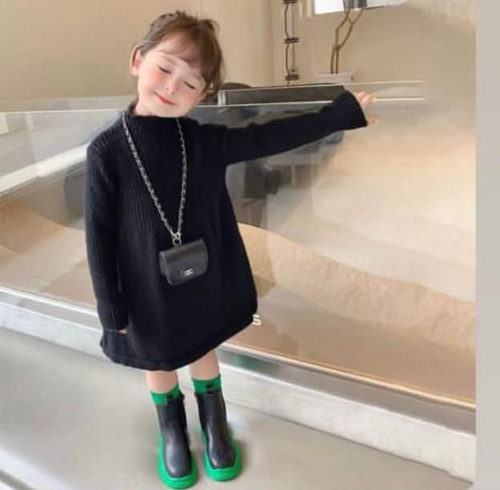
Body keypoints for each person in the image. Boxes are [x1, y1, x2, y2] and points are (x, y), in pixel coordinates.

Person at [84, 10, 377, 489]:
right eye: (164, 68)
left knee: (202, 345)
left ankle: (214, 421)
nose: (172, 86)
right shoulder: (107, 151)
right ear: (138, 60)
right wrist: (109, 304)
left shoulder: (201, 141)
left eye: (190, 82)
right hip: (143, 287)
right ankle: (172, 430)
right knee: (158, 358)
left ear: (203, 95)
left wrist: (340, 116)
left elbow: (266, 135)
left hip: (200, 277)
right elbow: (98, 235)